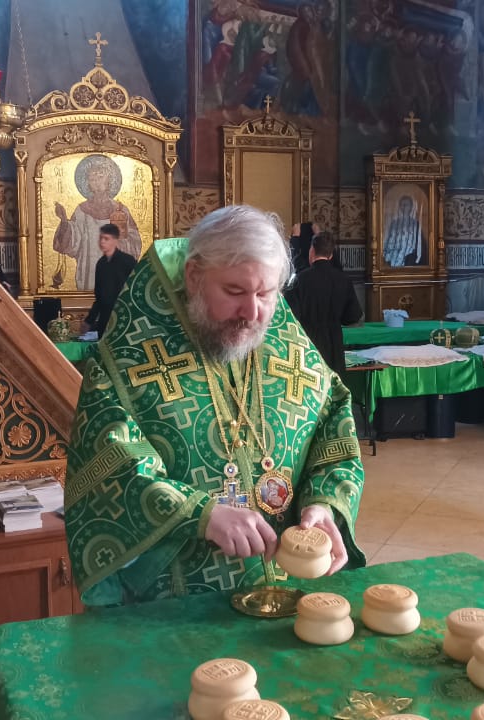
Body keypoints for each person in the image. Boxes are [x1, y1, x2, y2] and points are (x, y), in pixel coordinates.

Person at [65, 205, 365, 607]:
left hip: (292, 593)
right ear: (194, 276)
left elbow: (333, 426)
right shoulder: (127, 363)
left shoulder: (289, 349)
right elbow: (111, 468)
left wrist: (324, 502)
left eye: (266, 294)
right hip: (178, 603)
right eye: (235, 292)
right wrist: (199, 514)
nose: (253, 313)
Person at [52, 154, 143, 291]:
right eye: (92, 178)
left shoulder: (120, 210)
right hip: (89, 271)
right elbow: (73, 242)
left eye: (101, 177)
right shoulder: (81, 211)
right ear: (87, 183)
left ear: (109, 180)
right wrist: (64, 221)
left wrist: (121, 242)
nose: (97, 182)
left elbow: (134, 241)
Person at [285, 232, 364, 375]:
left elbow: (290, 315)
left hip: (308, 346)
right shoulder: (343, 279)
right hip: (334, 346)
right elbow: (353, 316)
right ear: (331, 255)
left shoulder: (300, 280)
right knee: (334, 385)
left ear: (312, 251)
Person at [82, 224, 138, 337]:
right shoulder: (101, 264)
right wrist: (89, 320)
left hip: (124, 316)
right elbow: (99, 297)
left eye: (106, 239)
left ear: (115, 241)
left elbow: (135, 288)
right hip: (105, 318)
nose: (102, 242)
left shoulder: (127, 261)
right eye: (101, 238)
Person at [383, 195, 423, 267]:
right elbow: (390, 239)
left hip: (409, 256)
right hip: (394, 255)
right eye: (402, 205)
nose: (404, 207)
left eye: (406, 205)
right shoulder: (394, 223)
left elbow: (418, 243)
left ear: (411, 207)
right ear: (399, 207)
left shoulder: (415, 223)